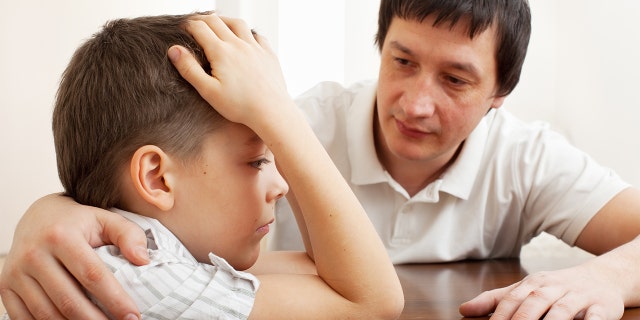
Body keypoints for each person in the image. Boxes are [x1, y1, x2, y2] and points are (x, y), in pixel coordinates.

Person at [3, 0, 640, 319]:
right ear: (379, 48)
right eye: (403, 61)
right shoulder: (274, 124)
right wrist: (51, 212)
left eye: (455, 80)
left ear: (500, 96)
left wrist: (610, 279)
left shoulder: (526, 158)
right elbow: (126, 183)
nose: (416, 104)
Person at [0, 12, 404, 320]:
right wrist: (282, 120)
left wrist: (273, 108)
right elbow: (372, 301)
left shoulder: (165, 251)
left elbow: (330, 270)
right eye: (257, 160)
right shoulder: (147, 278)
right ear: (157, 177)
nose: (280, 186)